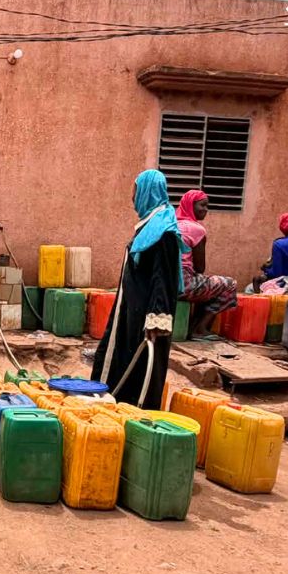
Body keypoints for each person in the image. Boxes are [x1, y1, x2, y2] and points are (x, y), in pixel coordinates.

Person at [92, 170, 182, 410]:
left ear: (147, 192)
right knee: (121, 356)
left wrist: (156, 319)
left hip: (147, 316)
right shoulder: (149, 227)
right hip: (131, 309)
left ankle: (135, 414)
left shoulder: (165, 232)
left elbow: (164, 278)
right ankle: (116, 405)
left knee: (142, 365)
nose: (132, 199)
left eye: (135, 192)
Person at [176, 189, 237, 338]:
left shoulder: (171, 224)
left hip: (163, 283)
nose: (205, 209)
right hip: (183, 284)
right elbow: (200, 267)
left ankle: (192, 327)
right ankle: (200, 329)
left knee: (207, 284)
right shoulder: (196, 230)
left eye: (206, 206)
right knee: (229, 284)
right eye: (202, 205)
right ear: (190, 206)